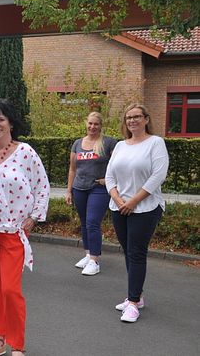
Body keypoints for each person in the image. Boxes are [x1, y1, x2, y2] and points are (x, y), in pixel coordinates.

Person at [0, 99, 50, 356]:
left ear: (11, 123)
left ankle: (18, 344)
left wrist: (34, 217)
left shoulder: (26, 153)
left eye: (0, 119)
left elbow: (42, 187)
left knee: (11, 289)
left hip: (13, 232)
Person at [105, 104, 168, 323]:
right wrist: (118, 199)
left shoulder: (155, 143)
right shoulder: (121, 145)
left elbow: (157, 176)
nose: (132, 121)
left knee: (136, 252)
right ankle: (137, 296)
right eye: (128, 117)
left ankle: (132, 304)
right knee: (128, 252)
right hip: (119, 207)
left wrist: (132, 202)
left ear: (146, 119)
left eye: (137, 117)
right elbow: (110, 176)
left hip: (145, 208)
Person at [65, 111, 118, 276]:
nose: (92, 127)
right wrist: (69, 190)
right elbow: (73, 168)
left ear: (101, 126)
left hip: (99, 189)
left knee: (92, 222)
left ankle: (95, 260)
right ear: (86, 124)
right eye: (90, 123)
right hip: (79, 188)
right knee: (84, 223)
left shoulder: (109, 143)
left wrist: (108, 181)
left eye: (96, 124)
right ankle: (88, 255)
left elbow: (118, 164)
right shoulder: (77, 144)